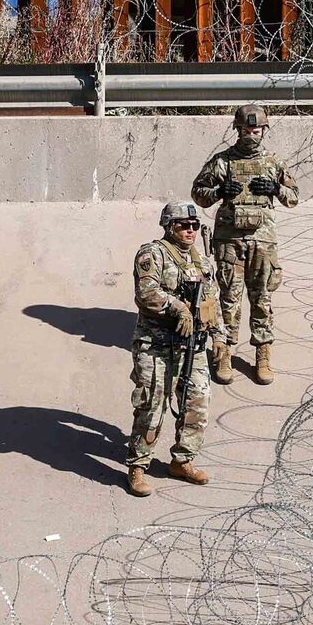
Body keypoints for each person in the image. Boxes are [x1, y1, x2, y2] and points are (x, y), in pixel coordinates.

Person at [190, 102, 300, 387]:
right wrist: (218, 191)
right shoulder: (222, 161)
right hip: (230, 241)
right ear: (237, 129)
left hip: (263, 241)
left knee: (262, 297)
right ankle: (223, 352)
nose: (252, 134)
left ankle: (262, 353)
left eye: (257, 129)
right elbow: (198, 194)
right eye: (246, 129)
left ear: (264, 130)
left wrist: (276, 189)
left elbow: (294, 197)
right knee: (229, 298)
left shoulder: (273, 162)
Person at [126, 201, 221, 498]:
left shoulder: (202, 261)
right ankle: (139, 465)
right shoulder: (152, 253)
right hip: (155, 344)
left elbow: (210, 301)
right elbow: (147, 293)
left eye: (194, 226)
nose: (190, 230)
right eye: (183, 225)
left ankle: (182, 460)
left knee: (197, 404)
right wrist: (178, 307)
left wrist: (218, 336)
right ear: (169, 226)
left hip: (192, 345)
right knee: (151, 406)